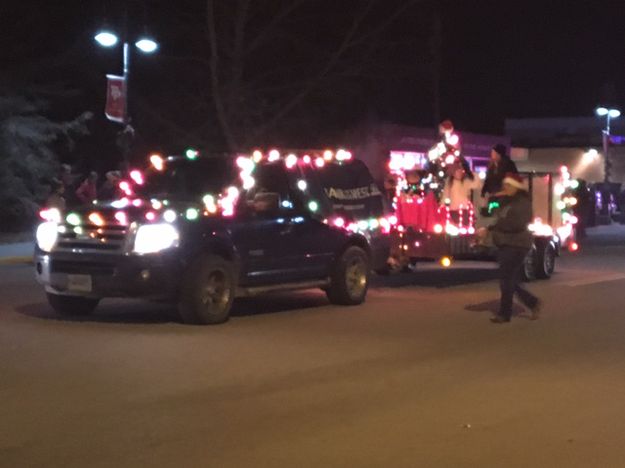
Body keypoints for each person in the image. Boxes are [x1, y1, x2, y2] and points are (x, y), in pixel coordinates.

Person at [479, 173, 541, 323]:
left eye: (508, 185)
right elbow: (491, 212)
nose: (505, 188)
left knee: (506, 279)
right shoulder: (507, 201)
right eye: (504, 185)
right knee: (509, 279)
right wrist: (493, 200)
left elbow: (516, 224)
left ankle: (505, 313)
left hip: (517, 244)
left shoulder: (522, 203)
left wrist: (493, 228)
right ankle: (531, 302)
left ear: (516, 186)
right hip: (506, 243)